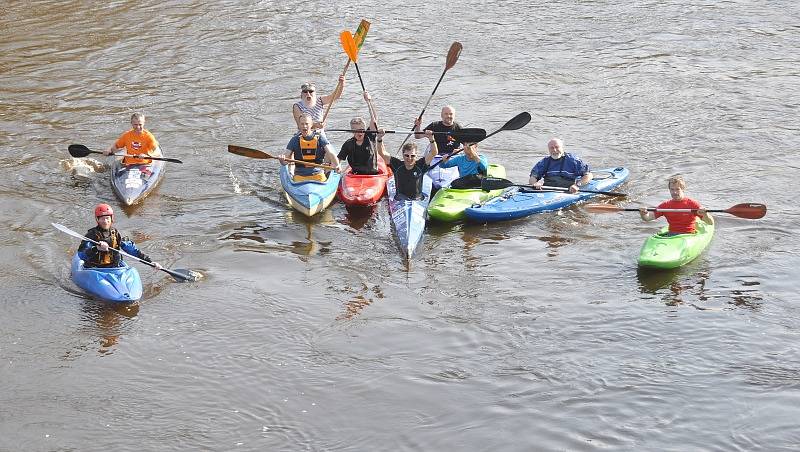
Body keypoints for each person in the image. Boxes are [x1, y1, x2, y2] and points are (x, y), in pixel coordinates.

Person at [78, 204, 162, 270]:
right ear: (97, 220)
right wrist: (96, 248)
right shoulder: (91, 234)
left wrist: (150, 262)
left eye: (107, 218)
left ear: (111, 219)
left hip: (114, 268)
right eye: (102, 218)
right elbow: (81, 254)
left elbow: (132, 251)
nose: (105, 221)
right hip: (95, 269)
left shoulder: (115, 233)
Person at [639, 175, 714, 236]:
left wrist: (705, 213)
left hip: (688, 235)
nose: (674, 192)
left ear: (683, 189)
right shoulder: (665, 205)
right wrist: (643, 214)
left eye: (677, 189)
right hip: (672, 235)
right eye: (672, 189)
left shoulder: (692, 204)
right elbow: (648, 218)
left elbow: (710, 223)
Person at [280, 114, 341, 182]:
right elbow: (286, 158)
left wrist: (337, 165)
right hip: (299, 176)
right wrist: (282, 160)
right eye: (302, 124)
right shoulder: (294, 140)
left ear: (311, 124)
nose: (304, 126)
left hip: (318, 175)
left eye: (307, 124)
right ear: (299, 126)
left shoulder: (320, 138)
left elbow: (331, 153)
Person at [380, 129, 437, 200]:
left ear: (416, 156)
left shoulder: (421, 165)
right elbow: (382, 153)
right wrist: (379, 138)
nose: (409, 158)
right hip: (400, 199)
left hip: (417, 200)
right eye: (407, 155)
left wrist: (431, 139)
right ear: (403, 155)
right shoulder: (397, 165)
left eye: (412, 156)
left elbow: (434, 153)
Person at [338, 91, 381, 175]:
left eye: (362, 130)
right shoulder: (348, 144)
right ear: (352, 131)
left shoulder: (370, 136)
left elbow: (374, 119)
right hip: (355, 176)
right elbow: (338, 159)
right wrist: (337, 166)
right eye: (356, 131)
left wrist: (369, 102)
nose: (360, 133)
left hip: (372, 176)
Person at [528, 137, 593, 194]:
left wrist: (577, 185)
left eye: (557, 147)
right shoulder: (544, 162)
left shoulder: (573, 160)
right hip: (548, 190)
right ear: (548, 149)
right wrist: (535, 184)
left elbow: (588, 175)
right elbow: (533, 177)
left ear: (562, 148)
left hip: (568, 190)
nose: (554, 150)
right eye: (552, 148)